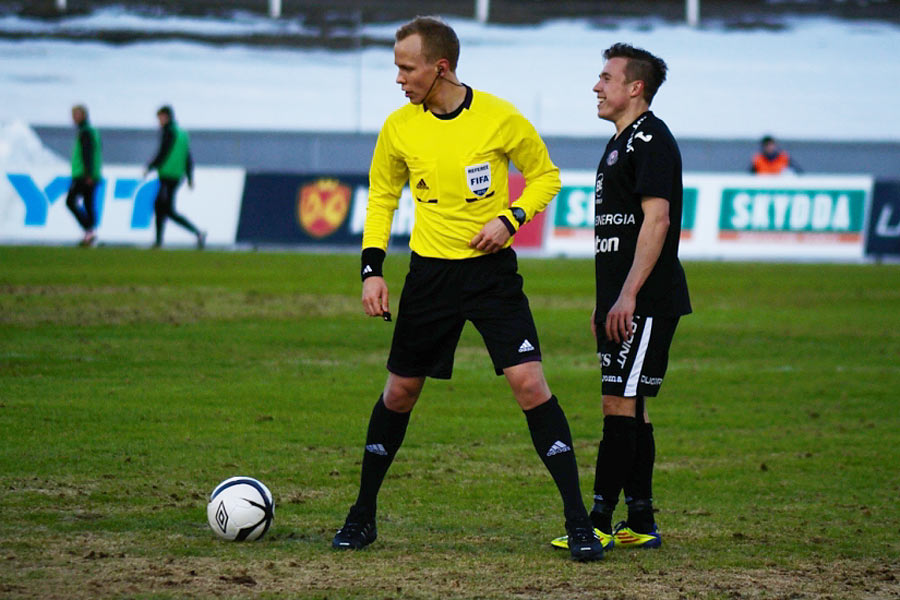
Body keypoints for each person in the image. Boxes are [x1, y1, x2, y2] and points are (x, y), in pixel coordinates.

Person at [332, 16, 604, 562]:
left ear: (441, 67)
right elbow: (382, 198)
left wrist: (511, 217)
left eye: (406, 68)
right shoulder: (399, 127)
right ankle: (362, 516)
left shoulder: (500, 118)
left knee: (530, 385)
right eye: (396, 67)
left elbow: (547, 175)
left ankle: (579, 523)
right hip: (430, 277)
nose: (399, 78)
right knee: (399, 393)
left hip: (492, 276)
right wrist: (371, 270)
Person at [550, 43, 691, 554]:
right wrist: (606, 298)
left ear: (635, 88)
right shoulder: (621, 143)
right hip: (626, 300)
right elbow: (619, 232)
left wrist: (629, 294)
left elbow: (658, 220)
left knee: (618, 403)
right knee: (633, 409)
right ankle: (641, 519)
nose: (596, 85)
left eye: (606, 77)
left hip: (647, 301)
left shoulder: (651, 139)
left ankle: (598, 522)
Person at [145, 105, 205, 249]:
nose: (159, 121)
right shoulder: (183, 134)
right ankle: (161, 240)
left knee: (164, 208)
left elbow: (163, 151)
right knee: (163, 207)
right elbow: (188, 157)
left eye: (160, 118)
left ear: (166, 117)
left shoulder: (169, 132)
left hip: (167, 175)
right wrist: (190, 176)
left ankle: (196, 233)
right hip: (177, 176)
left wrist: (151, 166)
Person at [66, 105, 102, 247]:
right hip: (92, 173)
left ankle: (88, 230)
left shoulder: (85, 132)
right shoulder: (92, 131)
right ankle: (90, 234)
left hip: (84, 174)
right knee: (88, 203)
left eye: (77, 114)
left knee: (70, 201)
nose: (74, 118)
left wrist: (88, 174)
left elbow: (87, 154)